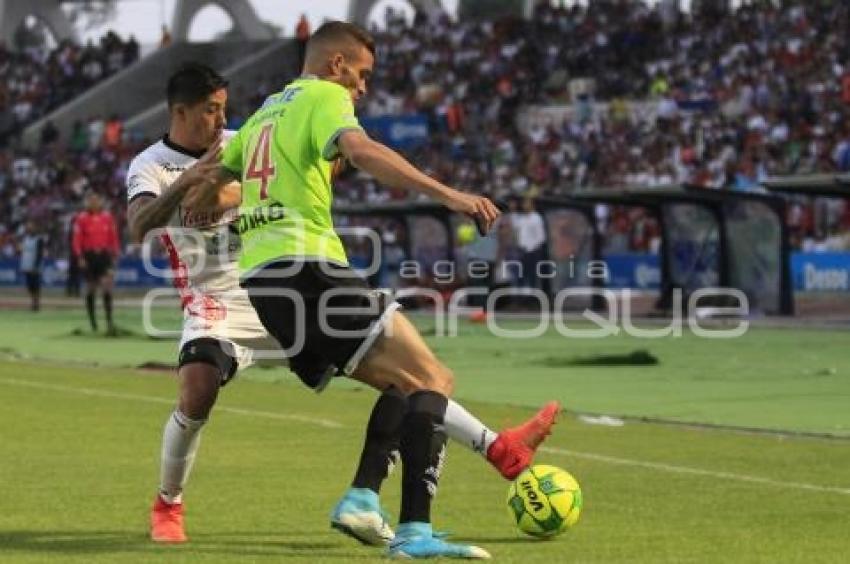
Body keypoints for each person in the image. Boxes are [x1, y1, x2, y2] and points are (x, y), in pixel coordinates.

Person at [128, 63, 559, 548]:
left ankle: (498, 449)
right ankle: (169, 501)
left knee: (403, 378)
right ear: (179, 111)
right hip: (216, 302)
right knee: (198, 389)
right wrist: (189, 184)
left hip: (277, 287)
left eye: (224, 108)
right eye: (210, 111)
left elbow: (297, 171)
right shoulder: (150, 165)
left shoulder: (241, 140)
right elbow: (141, 224)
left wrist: (244, 184)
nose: (220, 119)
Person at [72, 191, 120, 334]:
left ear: (100, 202)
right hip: (89, 256)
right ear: (87, 203)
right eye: (91, 201)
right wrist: (80, 257)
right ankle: (93, 322)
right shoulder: (81, 219)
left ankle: (109, 321)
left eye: (96, 200)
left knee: (107, 287)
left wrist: (115, 254)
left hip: (104, 255)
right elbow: (77, 239)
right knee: (91, 288)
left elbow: (113, 238)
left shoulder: (107, 218)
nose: (93, 203)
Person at [19, 221, 46, 312]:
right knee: (29, 286)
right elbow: (23, 252)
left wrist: (36, 266)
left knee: (36, 286)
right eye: (28, 227)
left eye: (31, 227)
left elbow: (40, 254)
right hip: (26, 266)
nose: (29, 229)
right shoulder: (25, 238)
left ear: (35, 228)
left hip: (35, 267)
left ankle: (36, 304)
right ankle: (33, 301)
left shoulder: (39, 239)